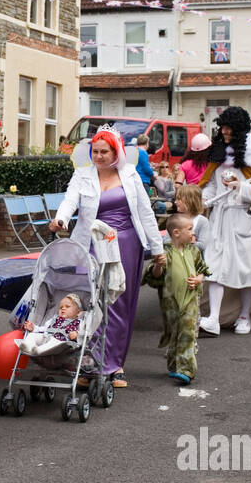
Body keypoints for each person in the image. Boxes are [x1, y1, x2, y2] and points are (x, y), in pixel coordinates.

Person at [48, 126, 164, 388]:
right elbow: (69, 202)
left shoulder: (131, 175)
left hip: (126, 245)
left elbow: (145, 213)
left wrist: (157, 249)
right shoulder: (82, 175)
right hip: (91, 245)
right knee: (91, 303)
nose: (99, 156)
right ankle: (89, 364)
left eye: (104, 151)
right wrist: (61, 219)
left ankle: (115, 365)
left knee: (119, 305)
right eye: (95, 151)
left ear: (116, 152)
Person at [196, 106, 251, 333]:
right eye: (222, 128)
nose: (224, 132)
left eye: (229, 129)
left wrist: (240, 187)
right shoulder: (219, 151)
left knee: (246, 269)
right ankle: (213, 317)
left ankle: (244, 316)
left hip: (246, 217)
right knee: (213, 266)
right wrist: (206, 199)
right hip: (220, 216)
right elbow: (211, 184)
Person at [144, 213, 209, 384]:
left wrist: (198, 279)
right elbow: (154, 275)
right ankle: (174, 365)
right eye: (189, 230)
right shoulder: (166, 253)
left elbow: (203, 270)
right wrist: (158, 264)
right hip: (171, 302)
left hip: (190, 300)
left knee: (187, 332)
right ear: (176, 233)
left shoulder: (194, 251)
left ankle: (187, 370)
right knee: (174, 333)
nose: (193, 233)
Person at [17, 293, 83, 356]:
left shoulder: (79, 322)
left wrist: (77, 335)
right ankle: (28, 346)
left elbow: (84, 335)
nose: (63, 308)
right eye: (60, 307)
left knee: (54, 342)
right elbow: (44, 328)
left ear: (78, 312)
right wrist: (34, 328)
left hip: (61, 342)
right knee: (32, 335)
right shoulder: (54, 319)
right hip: (46, 337)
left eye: (67, 306)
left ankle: (39, 350)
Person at [175, 182, 210, 253]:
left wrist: (181, 242)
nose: (175, 202)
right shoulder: (176, 219)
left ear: (190, 201)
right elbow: (166, 240)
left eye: (179, 199)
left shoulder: (202, 221)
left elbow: (203, 245)